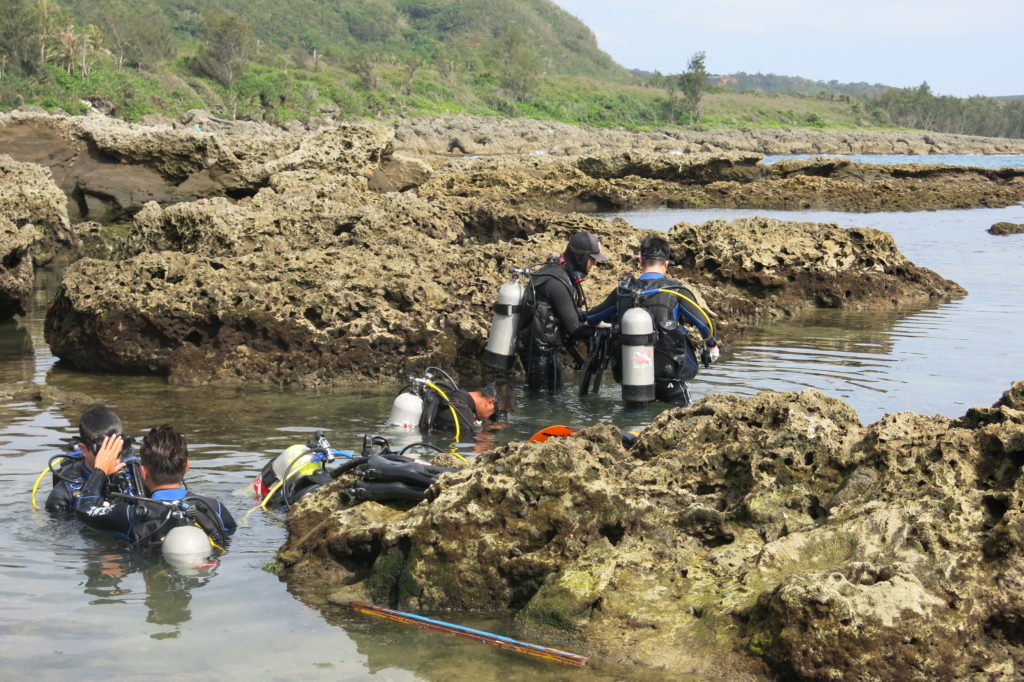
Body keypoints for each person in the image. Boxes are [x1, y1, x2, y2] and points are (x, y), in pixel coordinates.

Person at [585, 234, 720, 406]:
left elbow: (592, 317)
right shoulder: (676, 291)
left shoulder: (623, 291)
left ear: (640, 260)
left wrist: (606, 325)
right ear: (666, 264)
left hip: (631, 378)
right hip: (668, 373)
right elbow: (705, 324)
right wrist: (712, 346)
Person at [76, 424, 236, 549]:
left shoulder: (130, 516)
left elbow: (84, 509)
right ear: (187, 467)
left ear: (143, 472)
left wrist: (100, 470)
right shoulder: (215, 507)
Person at [518, 231, 607, 392]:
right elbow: (574, 327)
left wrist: (596, 317)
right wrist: (602, 332)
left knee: (551, 400)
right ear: (581, 257)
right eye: (592, 259)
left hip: (542, 351)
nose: (593, 264)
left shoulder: (556, 273)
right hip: (540, 355)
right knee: (544, 406)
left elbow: (567, 312)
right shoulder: (556, 282)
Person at [45, 405, 135, 514]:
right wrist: (100, 473)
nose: (112, 458)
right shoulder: (64, 492)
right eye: (104, 452)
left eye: (116, 449)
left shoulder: (135, 473)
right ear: (84, 449)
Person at [418, 381, 513, 439]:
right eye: (494, 415)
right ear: (490, 402)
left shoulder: (455, 395)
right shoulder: (462, 416)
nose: (489, 418)